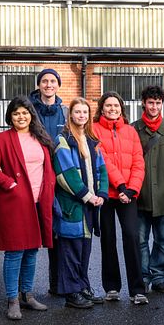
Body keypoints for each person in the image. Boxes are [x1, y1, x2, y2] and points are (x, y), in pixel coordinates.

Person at [0, 96, 56, 320]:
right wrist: (10, 184)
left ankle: (27, 295)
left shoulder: (40, 138)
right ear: (10, 117)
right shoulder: (2, 139)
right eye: (16, 113)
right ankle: (12, 299)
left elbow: (48, 168)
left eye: (25, 112)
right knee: (15, 251)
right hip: (14, 202)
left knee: (32, 250)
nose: (21, 117)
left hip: (38, 201)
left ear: (31, 114)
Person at [92, 91, 148, 305]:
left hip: (128, 194)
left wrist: (132, 189)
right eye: (108, 105)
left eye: (116, 105)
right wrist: (120, 185)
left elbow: (138, 161)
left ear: (121, 108)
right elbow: (103, 159)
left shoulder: (130, 131)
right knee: (108, 239)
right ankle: (112, 287)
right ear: (102, 108)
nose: (112, 109)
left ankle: (137, 289)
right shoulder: (94, 129)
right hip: (107, 193)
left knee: (132, 237)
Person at [52, 97, 108, 309]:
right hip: (73, 205)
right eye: (77, 112)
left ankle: (82, 286)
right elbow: (65, 175)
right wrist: (87, 195)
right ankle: (71, 293)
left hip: (90, 204)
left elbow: (102, 169)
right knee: (70, 250)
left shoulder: (91, 139)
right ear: (70, 115)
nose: (81, 116)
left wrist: (101, 193)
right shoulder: (63, 140)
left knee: (84, 249)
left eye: (85, 112)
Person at [132, 86, 164, 294]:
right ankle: (143, 277)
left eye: (157, 102)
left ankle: (159, 277)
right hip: (140, 196)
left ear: (162, 104)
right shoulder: (133, 129)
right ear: (143, 103)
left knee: (162, 241)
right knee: (141, 241)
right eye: (150, 102)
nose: (154, 106)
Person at [29, 67, 67, 296]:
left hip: (60, 177)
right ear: (39, 85)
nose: (49, 85)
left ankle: (57, 285)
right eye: (44, 81)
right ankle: (26, 290)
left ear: (58, 85)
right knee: (31, 233)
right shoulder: (29, 110)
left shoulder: (65, 110)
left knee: (58, 234)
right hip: (35, 175)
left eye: (53, 81)